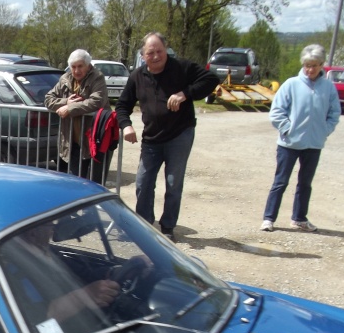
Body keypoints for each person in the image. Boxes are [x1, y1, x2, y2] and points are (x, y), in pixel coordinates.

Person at [116, 32, 219, 242]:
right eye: (150, 53)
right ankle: (145, 224)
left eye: (159, 51)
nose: (155, 56)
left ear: (166, 50)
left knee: (173, 183)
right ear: (143, 56)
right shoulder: (137, 76)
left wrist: (185, 93)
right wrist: (126, 126)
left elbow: (211, 79)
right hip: (151, 139)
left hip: (179, 135)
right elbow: (122, 106)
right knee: (143, 183)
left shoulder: (182, 68)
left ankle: (168, 227)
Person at [260, 44, 340, 233]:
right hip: (289, 144)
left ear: (321, 65)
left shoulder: (328, 88)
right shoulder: (291, 84)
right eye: (307, 65)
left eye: (314, 65)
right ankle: (268, 218)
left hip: (314, 144)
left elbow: (334, 113)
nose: (310, 69)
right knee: (280, 182)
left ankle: (299, 218)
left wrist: (324, 130)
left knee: (305, 183)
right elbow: (276, 112)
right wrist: (287, 129)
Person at [44, 49, 109, 182]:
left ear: (88, 65)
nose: (76, 71)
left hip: (93, 140)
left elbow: (97, 101)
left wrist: (70, 108)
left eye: (80, 66)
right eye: (73, 67)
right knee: (70, 182)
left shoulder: (97, 77)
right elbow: (48, 99)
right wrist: (65, 102)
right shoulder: (65, 78)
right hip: (69, 140)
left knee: (93, 183)